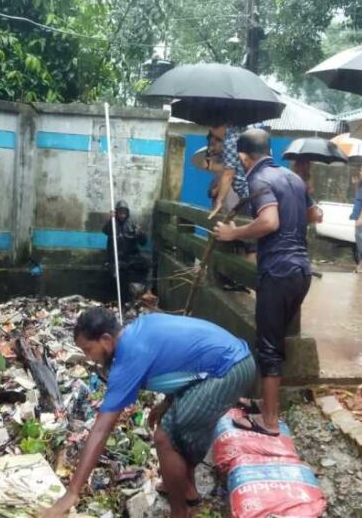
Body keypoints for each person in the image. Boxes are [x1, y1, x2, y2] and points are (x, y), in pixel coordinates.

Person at [40, 309, 256, 518]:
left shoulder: (129, 356)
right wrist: (167, 402)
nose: (89, 358)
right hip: (232, 360)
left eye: (88, 349)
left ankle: (179, 512)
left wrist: (72, 493)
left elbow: (101, 429)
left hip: (230, 369)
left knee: (164, 438)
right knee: (174, 422)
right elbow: (183, 361)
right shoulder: (139, 329)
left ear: (105, 339)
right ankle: (187, 489)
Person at [212, 129, 313, 435]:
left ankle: (268, 422)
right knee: (274, 339)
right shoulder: (293, 178)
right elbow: (315, 214)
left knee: (269, 347)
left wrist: (234, 234)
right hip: (301, 270)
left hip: (278, 271)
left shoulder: (258, 180)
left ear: (243, 157)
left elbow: (270, 222)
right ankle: (264, 403)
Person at [102, 200, 149, 299]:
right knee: (114, 277)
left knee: (143, 266)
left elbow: (143, 243)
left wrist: (140, 234)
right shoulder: (112, 224)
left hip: (130, 259)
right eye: (120, 212)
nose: (122, 215)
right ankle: (114, 299)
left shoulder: (132, 225)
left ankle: (135, 297)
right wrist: (111, 219)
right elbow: (105, 231)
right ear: (116, 212)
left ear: (127, 213)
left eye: (124, 212)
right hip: (115, 259)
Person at [209, 124, 249, 218]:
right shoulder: (249, 134)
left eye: (214, 128)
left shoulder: (231, 141)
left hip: (245, 195)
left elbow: (228, 174)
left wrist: (219, 202)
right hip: (256, 191)